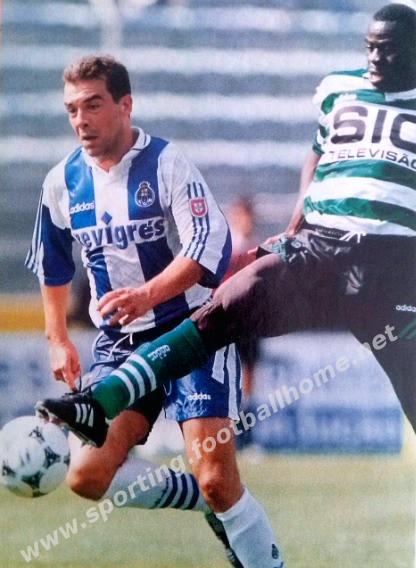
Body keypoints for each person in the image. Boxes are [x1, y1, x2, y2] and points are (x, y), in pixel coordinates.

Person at [27, 55, 284, 568]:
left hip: (192, 333)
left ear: (125, 105)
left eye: (93, 105)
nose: (81, 120)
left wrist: (147, 295)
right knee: (87, 476)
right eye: (72, 109)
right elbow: (52, 264)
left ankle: (227, 510)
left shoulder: (167, 164)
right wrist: (57, 337)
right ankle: (209, 504)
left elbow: (207, 246)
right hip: (120, 346)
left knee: (217, 478)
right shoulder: (62, 182)